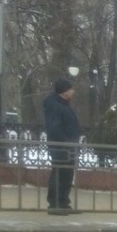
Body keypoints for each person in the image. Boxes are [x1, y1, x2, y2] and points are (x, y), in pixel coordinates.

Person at [43, 78, 82, 214]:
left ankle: (63, 203)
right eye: (71, 89)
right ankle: (56, 203)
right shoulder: (55, 105)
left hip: (67, 147)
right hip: (61, 147)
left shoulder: (62, 104)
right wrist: (66, 142)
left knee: (66, 175)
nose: (73, 91)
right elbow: (54, 127)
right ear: (64, 91)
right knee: (60, 174)